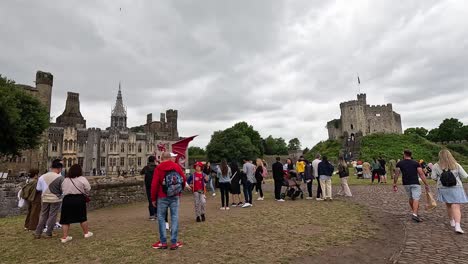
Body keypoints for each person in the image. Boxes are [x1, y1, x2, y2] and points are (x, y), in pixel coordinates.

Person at [151, 152, 187, 250]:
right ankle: (174, 242)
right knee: (174, 217)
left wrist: (153, 199)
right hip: (175, 196)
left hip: (162, 196)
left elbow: (154, 185)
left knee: (161, 218)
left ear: (162, 158)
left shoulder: (158, 168)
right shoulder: (176, 166)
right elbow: (183, 179)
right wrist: (179, 192)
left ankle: (163, 242)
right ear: (170, 158)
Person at [431, 149, 468, 234]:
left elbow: (433, 177)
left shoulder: (436, 166)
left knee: (448, 204)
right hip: (456, 187)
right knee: (456, 206)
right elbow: (465, 176)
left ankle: (452, 221)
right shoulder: (456, 165)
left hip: (443, 188)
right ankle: (457, 226)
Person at [57, 164, 92, 243]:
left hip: (67, 199)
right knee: (82, 216)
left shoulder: (65, 180)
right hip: (79, 199)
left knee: (65, 219)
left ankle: (65, 237)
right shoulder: (82, 179)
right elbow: (88, 188)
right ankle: (86, 233)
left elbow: (62, 189)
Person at [393, 149, 430, 223]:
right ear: (410, 155)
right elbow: (421, 174)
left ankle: (414, 212)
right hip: (415, 182)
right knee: (416, 198)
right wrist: (426, 184)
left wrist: (394, 183)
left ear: (404, 154)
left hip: (406, 183)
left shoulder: (399, 163)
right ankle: (415, 214)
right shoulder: (416, 163)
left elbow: (396, 174)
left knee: (411, 198)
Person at [34, 159, 64, 239]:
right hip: (55, 199)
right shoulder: (60, 178)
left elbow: (38, 189)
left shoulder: (42, 177)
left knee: (43, 215)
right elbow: (63, 190)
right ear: (59, 168)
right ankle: (48, 233)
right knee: (52, 216)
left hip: (45, 198)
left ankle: (37, 232)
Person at [140, 156, 167, 227]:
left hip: (149, 186)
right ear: (154, 160)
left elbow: (141, 173)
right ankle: (157, 213)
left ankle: (152, 215)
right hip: (156, 185)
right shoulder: (157, 167)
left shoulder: (146, 168)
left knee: (150, 200)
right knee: (157, 200)